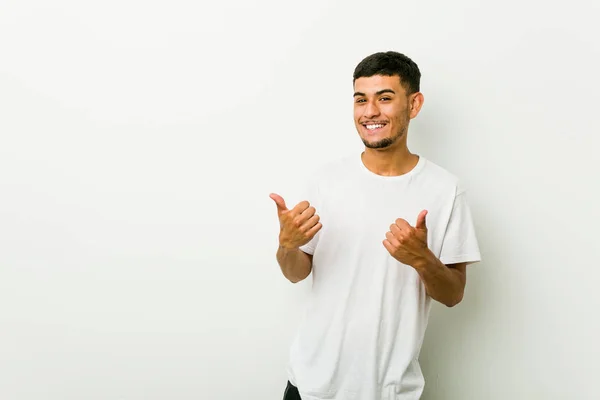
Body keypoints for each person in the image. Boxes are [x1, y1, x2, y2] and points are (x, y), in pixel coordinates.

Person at [270, 51, 481, 400]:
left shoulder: (445, 190)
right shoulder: (325, 181)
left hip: (391, 391)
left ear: (414, 104)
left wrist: (422, 259)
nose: (370, 112)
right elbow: (295, 273)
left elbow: (453, 295)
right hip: (310, 386)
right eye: (360, 100)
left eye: (385, 98)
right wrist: (287, 245)